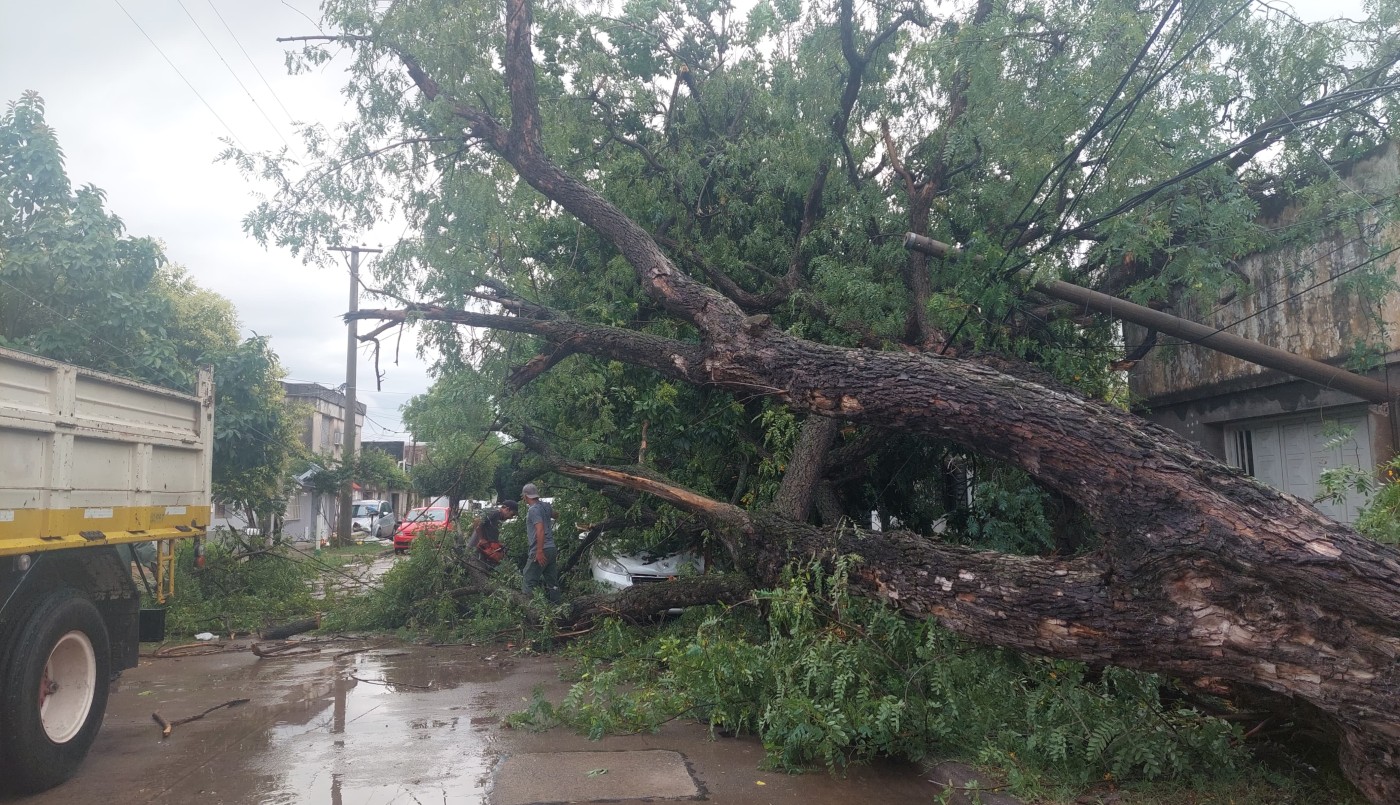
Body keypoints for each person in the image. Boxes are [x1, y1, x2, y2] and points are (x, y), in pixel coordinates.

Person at [520, 482, 559, 603]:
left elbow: (540, 530)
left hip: (542, 549)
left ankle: (529, 612)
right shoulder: (545, 506)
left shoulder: (533, 510)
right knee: (552, 581)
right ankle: (557, 607)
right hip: (552, 548)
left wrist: (539, 551)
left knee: (528, 580)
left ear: (525, 496)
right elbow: (556, 515)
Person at [465, 499, 518, 569]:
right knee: (474, 568)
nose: (511, 517)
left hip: (484, 550)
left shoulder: (499, 517)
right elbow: (477, 520)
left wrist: (498, 544)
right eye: (512, 514)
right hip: (476, 549)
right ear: (507, 509)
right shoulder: (494, 512)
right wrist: (481, 539)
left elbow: (491, 532)